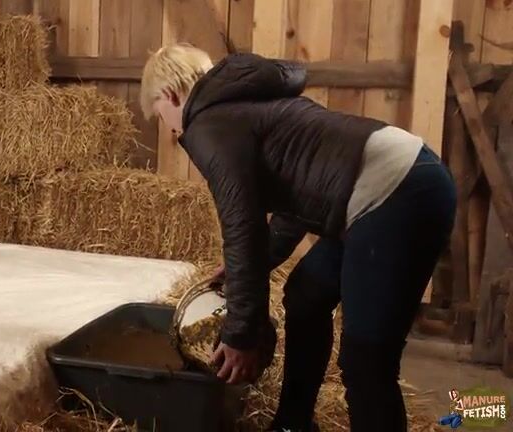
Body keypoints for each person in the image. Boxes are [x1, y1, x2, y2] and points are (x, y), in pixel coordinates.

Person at [140, 44, 456, 432]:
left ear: (170, 95)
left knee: (366, 359)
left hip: (398, 193)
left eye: (161, 115)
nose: (172, 129)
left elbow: (242, 225)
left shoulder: (207, 123)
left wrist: (241, 335)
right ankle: (292, 424)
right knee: (305, 296)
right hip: (389, 182)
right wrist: (258, 262)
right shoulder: (247, 103)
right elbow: (296, 197)